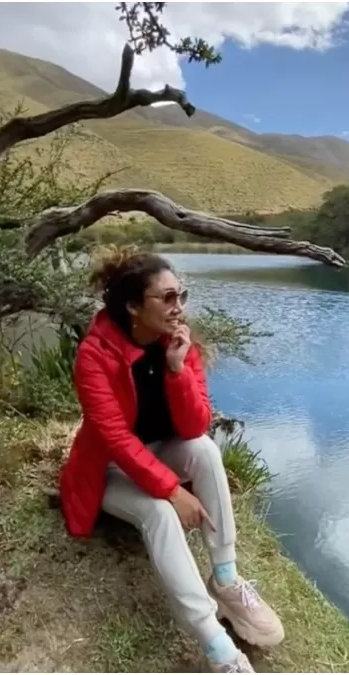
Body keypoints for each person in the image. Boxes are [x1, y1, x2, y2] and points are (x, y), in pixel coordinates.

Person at [59, 249, 283, 673]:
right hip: (109, 469)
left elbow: (196, 424)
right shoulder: (94, 354)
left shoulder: (178, 343)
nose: (178, 306)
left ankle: (227, 579)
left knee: (204, 450)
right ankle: (216, 644)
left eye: (181, 294)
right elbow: (116, 439)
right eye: (166, 298)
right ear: (132, 307)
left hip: (157, 453)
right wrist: (171, 490)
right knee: (160, 513)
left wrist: (178, 369)